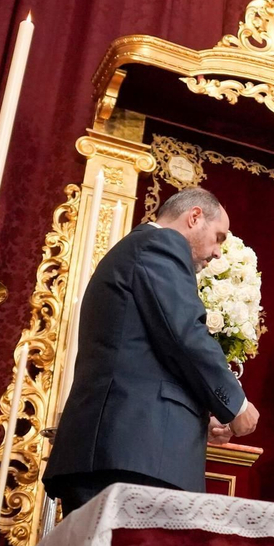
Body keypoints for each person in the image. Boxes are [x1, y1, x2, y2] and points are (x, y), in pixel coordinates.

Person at [44, 187, 259, 511]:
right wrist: (236, 405)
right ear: (195, 217)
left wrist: (199, 419)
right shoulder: (160, 244)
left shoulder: (137, 249)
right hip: (131, 455)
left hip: (119, 450)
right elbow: (184, 335)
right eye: (218, 237)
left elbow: (144, 355)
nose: (217, 253)